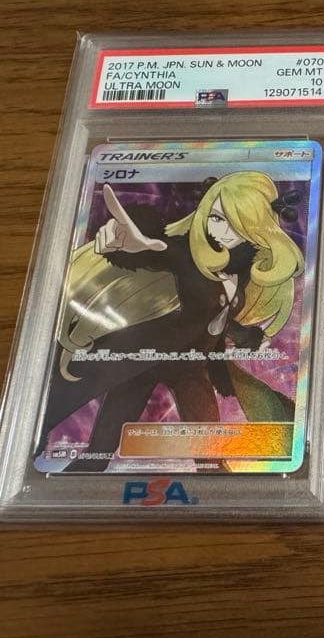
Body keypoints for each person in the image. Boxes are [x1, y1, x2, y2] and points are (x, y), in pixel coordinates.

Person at [38, 172, 303, 472]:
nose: (221, 230)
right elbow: (164, 251)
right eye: (216, 218)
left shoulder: (240, 275)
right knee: (100, 445)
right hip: (147, 358)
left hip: (190, 366)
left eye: (236, 222)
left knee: (210, 454)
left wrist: (246, 336)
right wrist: (141, 244)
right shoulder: (190, 258)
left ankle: (219, 492)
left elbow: (217, 317)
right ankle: (45, 454)